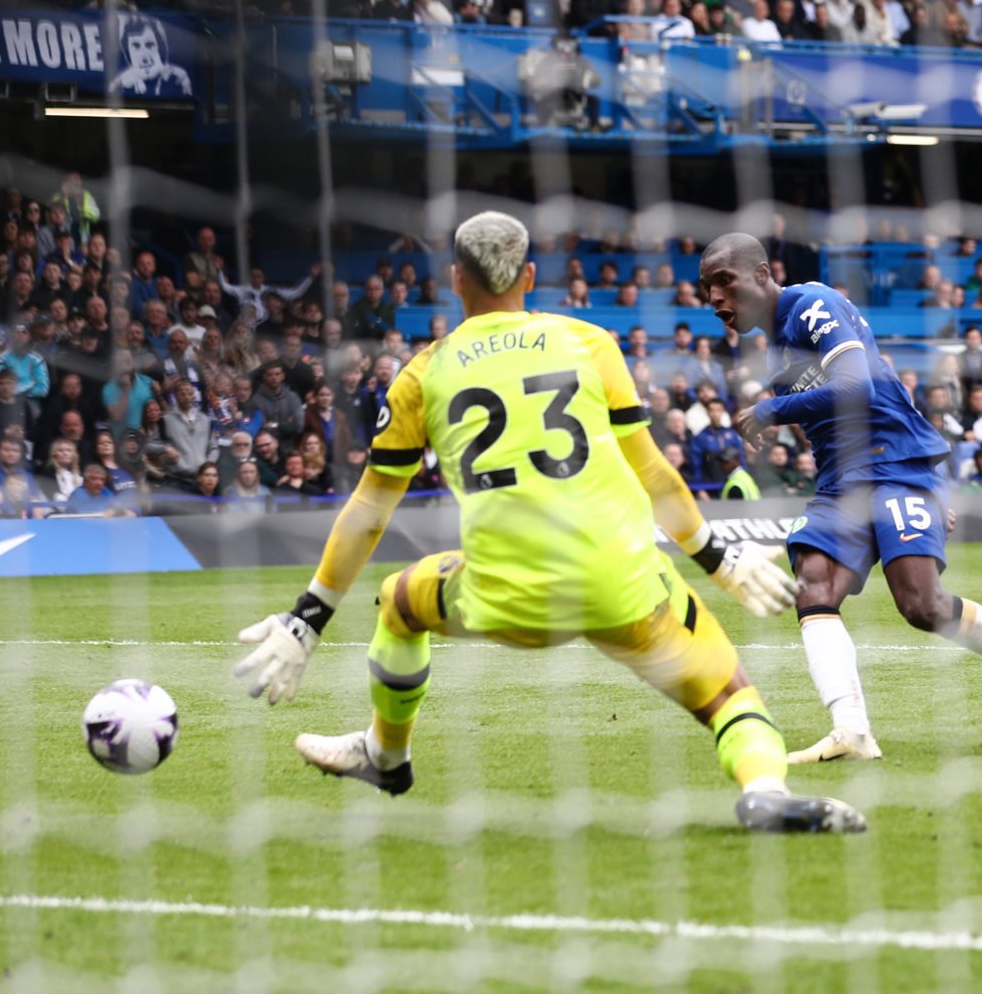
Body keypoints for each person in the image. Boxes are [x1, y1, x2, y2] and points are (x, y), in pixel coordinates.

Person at [232, 212, 858, 834]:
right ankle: (764, 791)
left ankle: (387, 755)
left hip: (503, 594)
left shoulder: (424, 372)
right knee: (729, 696)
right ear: (530, 274)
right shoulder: (588, 343)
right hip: (621, 584)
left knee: (399, 601)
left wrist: (306, 622)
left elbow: (368, 512)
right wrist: (722, 562)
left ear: (455, 279)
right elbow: (657, 477)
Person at [700, 232, 982, 764]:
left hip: (892, 464)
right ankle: (851, 730)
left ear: (760, 273)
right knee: (813, 585)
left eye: (724, 282)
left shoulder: (810, 304)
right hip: (843, 480)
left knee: (921, 605)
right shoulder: (778, 347)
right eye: (707, 289)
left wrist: (775, 410)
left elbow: (859, 384)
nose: (715, 299)